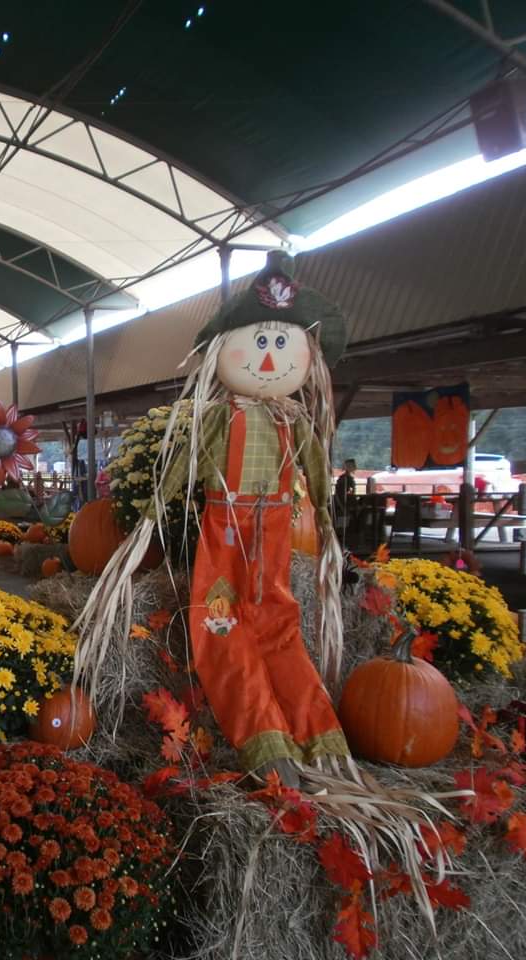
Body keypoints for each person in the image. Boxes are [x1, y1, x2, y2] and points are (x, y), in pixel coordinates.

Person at [76, 251, 349, 788]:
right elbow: (181, 468)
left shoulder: (291, 421)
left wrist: (329, 530)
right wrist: (153, 515)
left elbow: (319, 481)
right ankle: (265, 740)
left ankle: (318, 736)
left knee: (278, 627)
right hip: (225, 532)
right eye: (259, 343)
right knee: (221, 624)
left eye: (281, 345)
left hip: (271, 535)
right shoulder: (222, 418)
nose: (269, 359)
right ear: (224, 349)